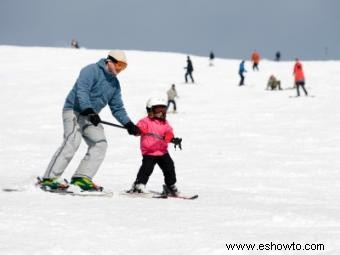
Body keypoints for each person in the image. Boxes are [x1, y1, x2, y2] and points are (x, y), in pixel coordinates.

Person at [40, 50, 140, 191]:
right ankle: (50, 178)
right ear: (109, 61)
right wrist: (88, 109)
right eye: (118, 65)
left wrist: (128, 124)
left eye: (123, 67)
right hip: (74, 110)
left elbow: (117, 108)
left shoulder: (114, 84)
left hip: (91, 117)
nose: (120, 70)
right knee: (72, 141)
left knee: (100, 143)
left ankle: (81, 177)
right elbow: (82, 90)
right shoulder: (91, 70)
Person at [128, 97, 182, 195]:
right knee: (146, 169)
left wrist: (172, 138)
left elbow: (169, 132)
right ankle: (139, 185)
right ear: (150, 110)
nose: (161, 112)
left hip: (162, 152)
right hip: (149, 152)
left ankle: (170, 186)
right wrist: (137, 130)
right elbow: (139, 130)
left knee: (169, 167)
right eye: (158, 109)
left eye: (163, 109)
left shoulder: (165, 123)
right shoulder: (145, 121)